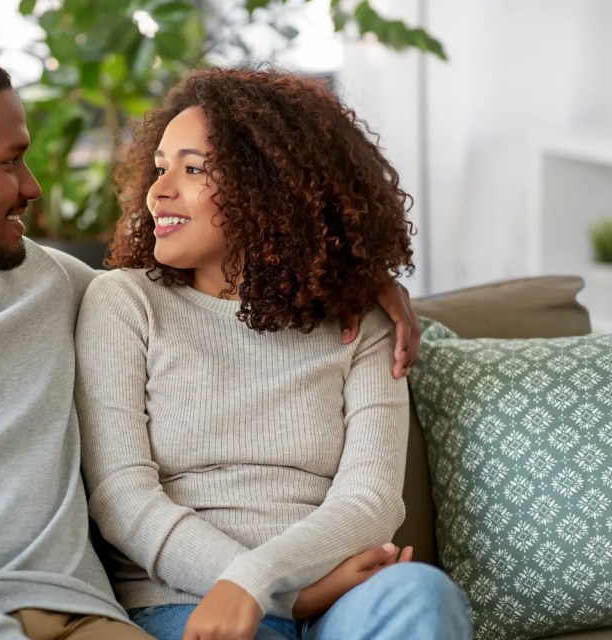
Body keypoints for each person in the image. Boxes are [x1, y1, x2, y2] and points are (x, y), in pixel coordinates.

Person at [0, 50, 420, 639]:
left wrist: (363, 282)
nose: (32, 188)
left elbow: (217, 295)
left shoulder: (48, 281)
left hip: (92, 621)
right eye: (10, 163)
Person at [74, 67, 473, 640]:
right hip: (189, 600)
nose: (158, 191)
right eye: (161, 168)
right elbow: (121, 499)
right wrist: (288, 596)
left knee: (420, 594)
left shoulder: (361, 318)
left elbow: (372, 499)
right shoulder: (123, 302)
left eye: (193, 170)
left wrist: (260, 582)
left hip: (339, 594)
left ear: (271, 187)